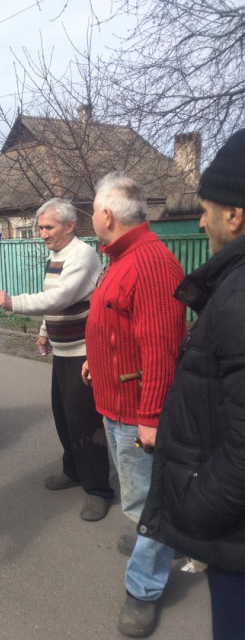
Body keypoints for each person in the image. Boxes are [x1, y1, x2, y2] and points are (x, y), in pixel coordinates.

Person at [138, 129, 245, 640]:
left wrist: (196, 509)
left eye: (204, 209)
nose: (199, 221)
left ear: (235, 215)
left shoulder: (241, 296)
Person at [82, 172, 186, 637]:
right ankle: (152, 538)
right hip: (115, 400)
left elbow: (161, 347)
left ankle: (145, 586)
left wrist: (152, 417)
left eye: (92, 209)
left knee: (149, 499)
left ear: (106, 214)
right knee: (137, 493)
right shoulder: (122, 256)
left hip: (135, 411)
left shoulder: (150, 263)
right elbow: (115, 322)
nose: (91, 216)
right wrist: (96, 359)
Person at [0, 197, 114, 521]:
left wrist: (12, 301)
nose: (42, 233)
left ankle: (98, 489)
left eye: (48, 227)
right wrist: (44, 329)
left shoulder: (82, 256)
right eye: (40, 226)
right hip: (61, 350)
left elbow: (60, 296)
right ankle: (73, 470)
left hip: (83, 352)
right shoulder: (56, 255)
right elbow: (53, 301)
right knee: (63, 415)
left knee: (84, 421)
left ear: (69, 226)